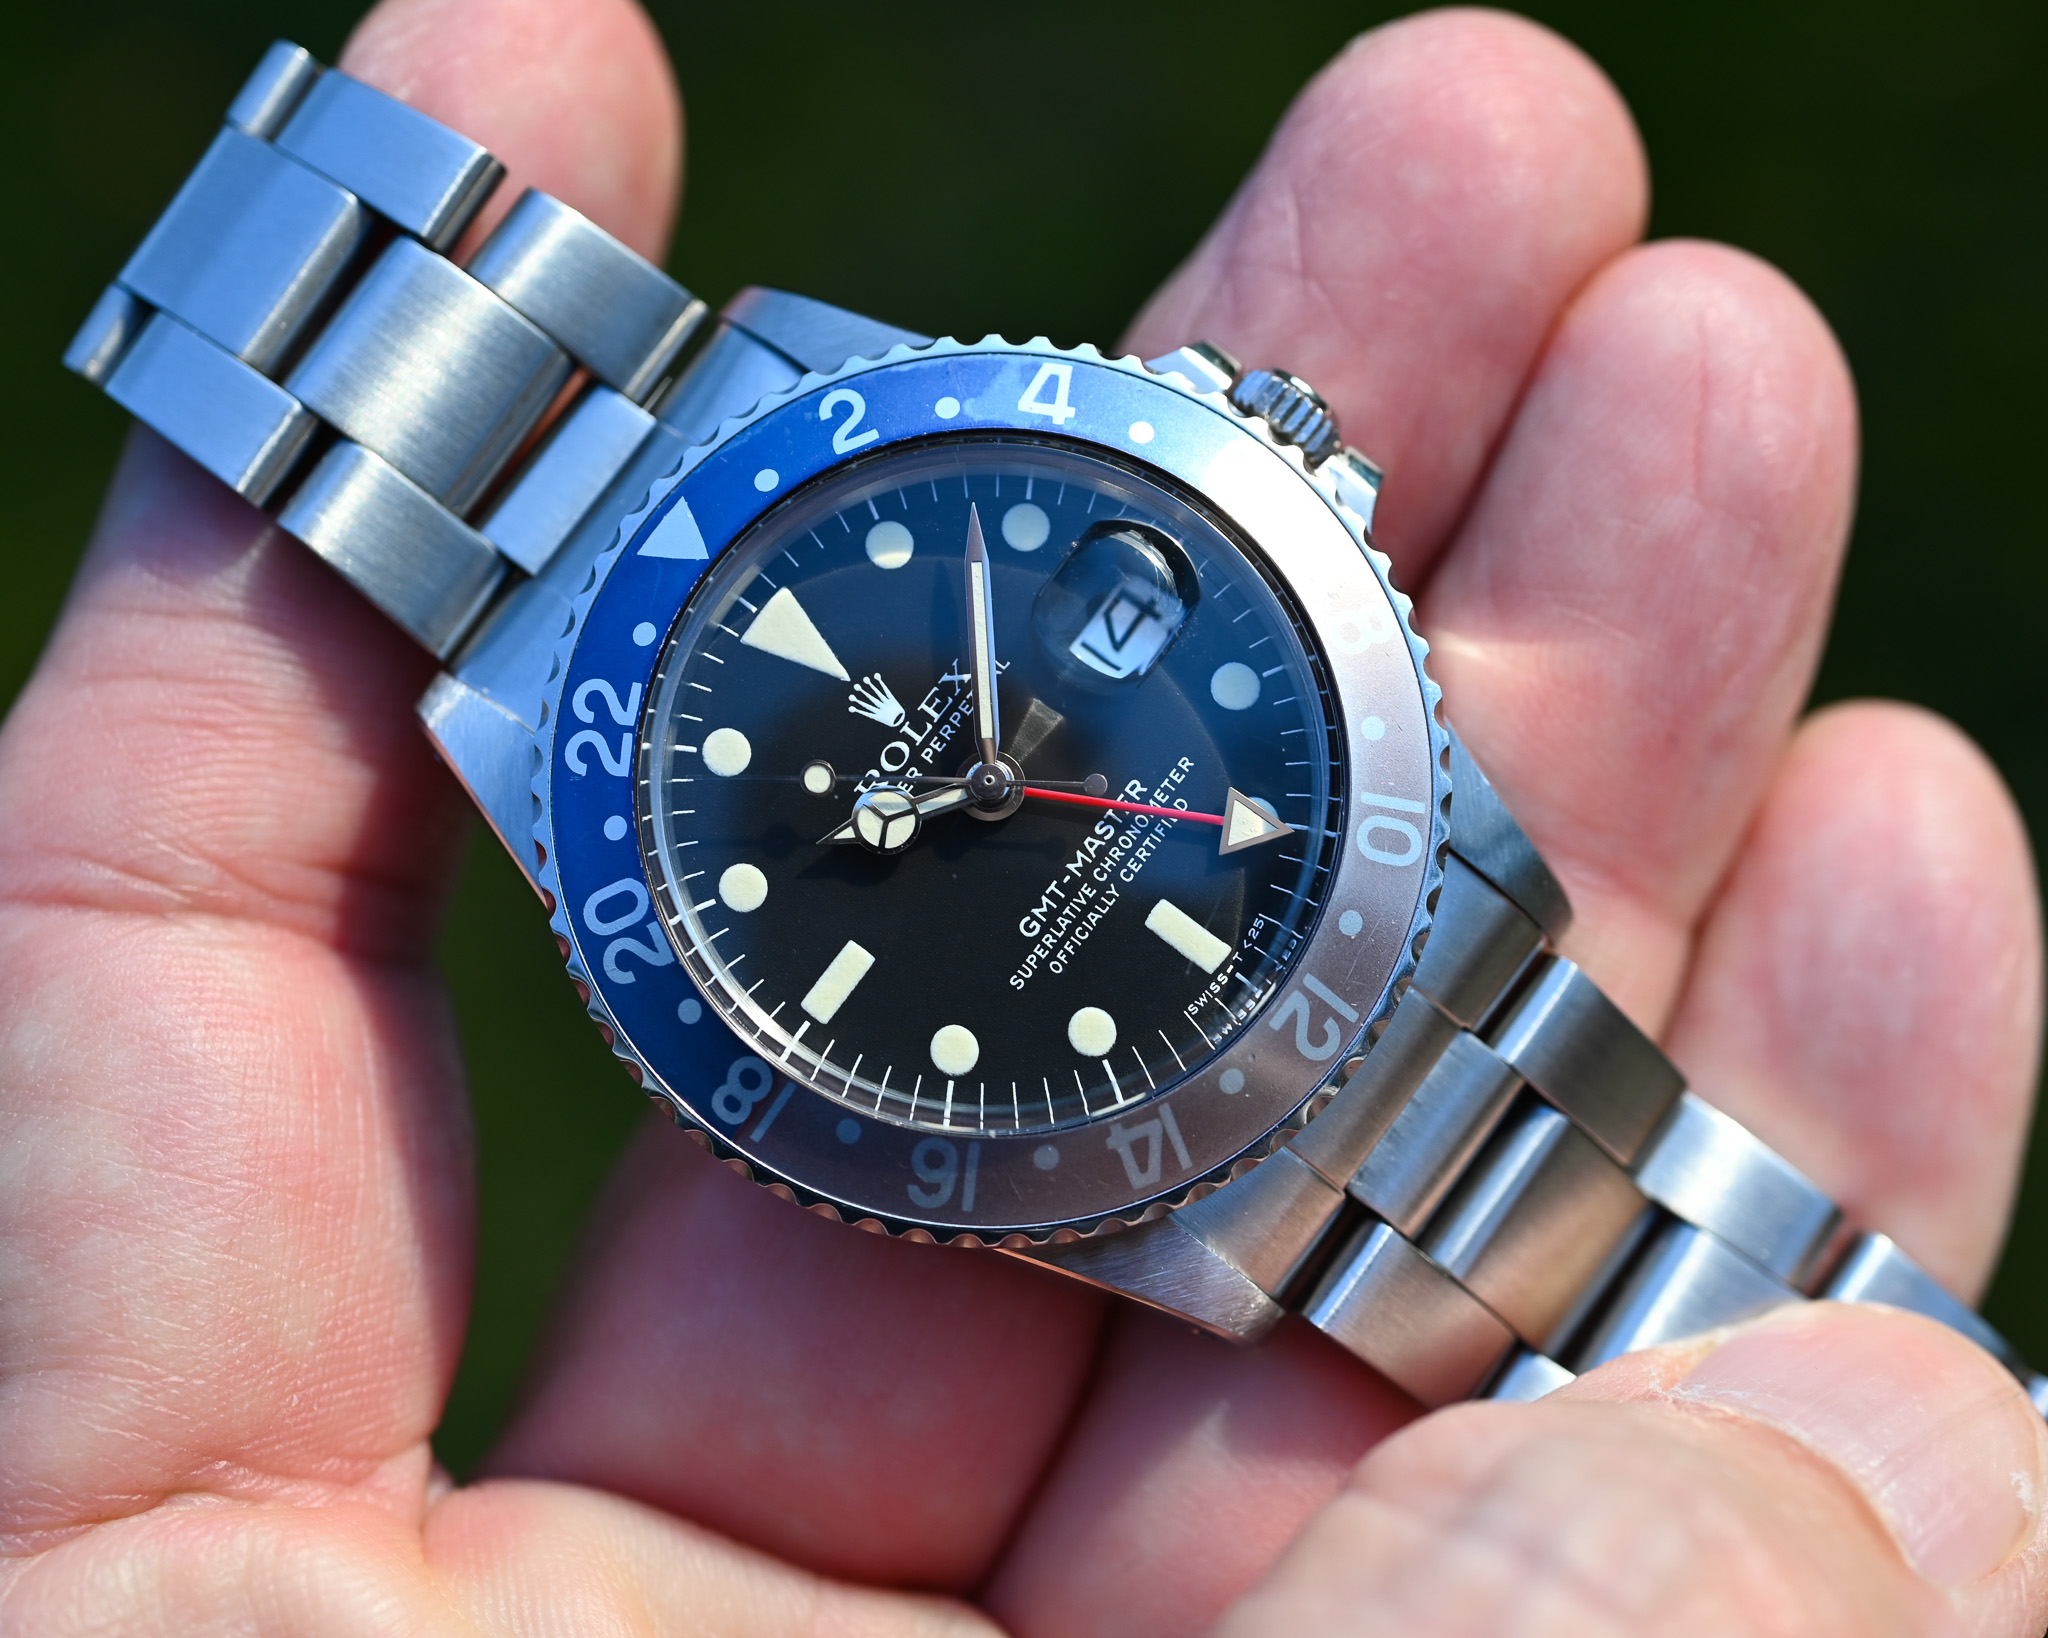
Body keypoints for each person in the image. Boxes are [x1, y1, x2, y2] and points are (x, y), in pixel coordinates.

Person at [2, 0, 2042, 1631]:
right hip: (1167, 1073)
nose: (985, 792)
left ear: (1259, 465)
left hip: (1248, 988)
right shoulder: (549, 735)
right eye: (960, 795)